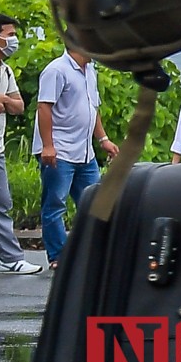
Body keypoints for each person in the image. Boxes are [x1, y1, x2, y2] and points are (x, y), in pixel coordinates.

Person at [32, 41, 116, 270]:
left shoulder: (90, 71)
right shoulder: (56, 70)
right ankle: (58, 255)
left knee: (94, 202)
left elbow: (92, 108)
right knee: (55, 203)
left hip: (84, 151)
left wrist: (103, 139)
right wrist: (47, 146)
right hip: (60, 150)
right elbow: (44, 107)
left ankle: (92, 252)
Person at [0, 17, 41, 274]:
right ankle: (11, 257)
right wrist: (2, 103)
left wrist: (1, 101)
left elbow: (19, 106)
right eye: (9, 34)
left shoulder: (5, 70)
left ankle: (9, 258)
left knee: (1, 202)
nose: (13, 40)